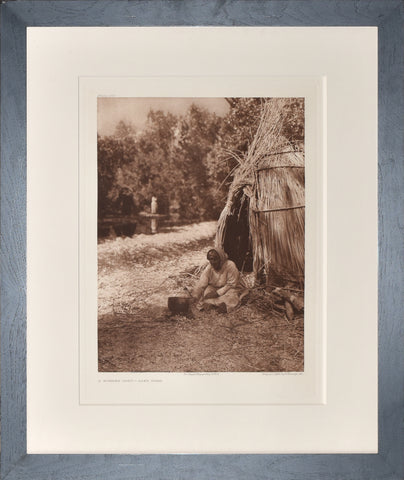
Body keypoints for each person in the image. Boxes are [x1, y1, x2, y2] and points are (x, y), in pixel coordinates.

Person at [192, 247, 247, 313]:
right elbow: (202, 283)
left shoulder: (230, 265)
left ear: (221, 259)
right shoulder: (209, 267)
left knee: (231, 296)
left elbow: (231, 284)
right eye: (210, 260)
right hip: (215, 287)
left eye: (215, 259)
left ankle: (222, 306)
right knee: (206, 292)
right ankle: (213, 305)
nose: (212, 262)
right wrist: (195, 296)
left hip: (231, 288)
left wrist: (217, 293)